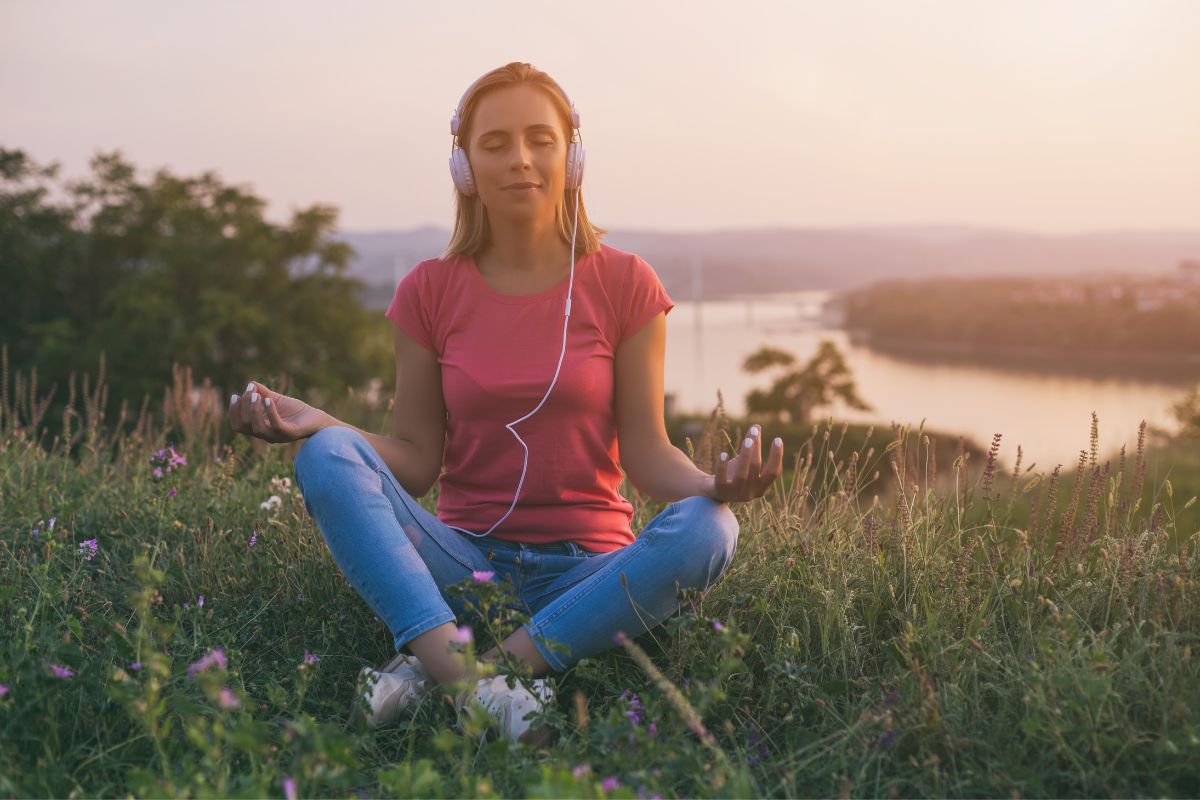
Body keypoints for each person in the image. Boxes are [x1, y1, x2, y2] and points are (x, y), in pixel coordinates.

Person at [227, 61, 784, 747]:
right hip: (465, 566)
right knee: (327, 455)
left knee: (711, 529)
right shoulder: (428, 291)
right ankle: (482, 688)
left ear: (571, 156)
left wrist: (713, 486)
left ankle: (458, 672)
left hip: (591, 575)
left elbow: (646, 454)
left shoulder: (626, 283)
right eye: (495, 143)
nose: (520, 159)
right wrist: (322, 423)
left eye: (539, 139)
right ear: (464, 167)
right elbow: (416, 461)